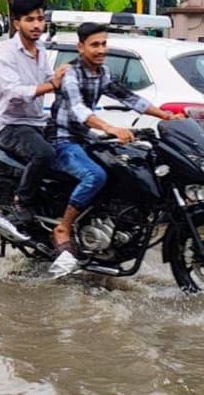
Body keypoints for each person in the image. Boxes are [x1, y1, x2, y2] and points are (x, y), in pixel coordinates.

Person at [46, 21, 183, 276]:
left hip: (86, 137)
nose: (100, 49)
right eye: (94, 45)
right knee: (94, 175)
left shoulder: (104, 73)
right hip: (62, 139)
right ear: (80, 47)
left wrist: (165, 116)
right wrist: (109, 128)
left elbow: (130, 98)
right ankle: (63, 227)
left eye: (104, 44)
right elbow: (78, 110)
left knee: (127, 167)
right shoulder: (72, 74)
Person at [0, 0, 70, 226]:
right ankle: (21, 201)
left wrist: (65, 81)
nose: (36, 25)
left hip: (38, 121)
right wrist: (52, 85)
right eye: (29, 20)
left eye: (40, 19)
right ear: (17, 24)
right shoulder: (5, 55)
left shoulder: (40, 50)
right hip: (13, 124)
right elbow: (16, 92)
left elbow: (47, 78)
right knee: (44, 154)